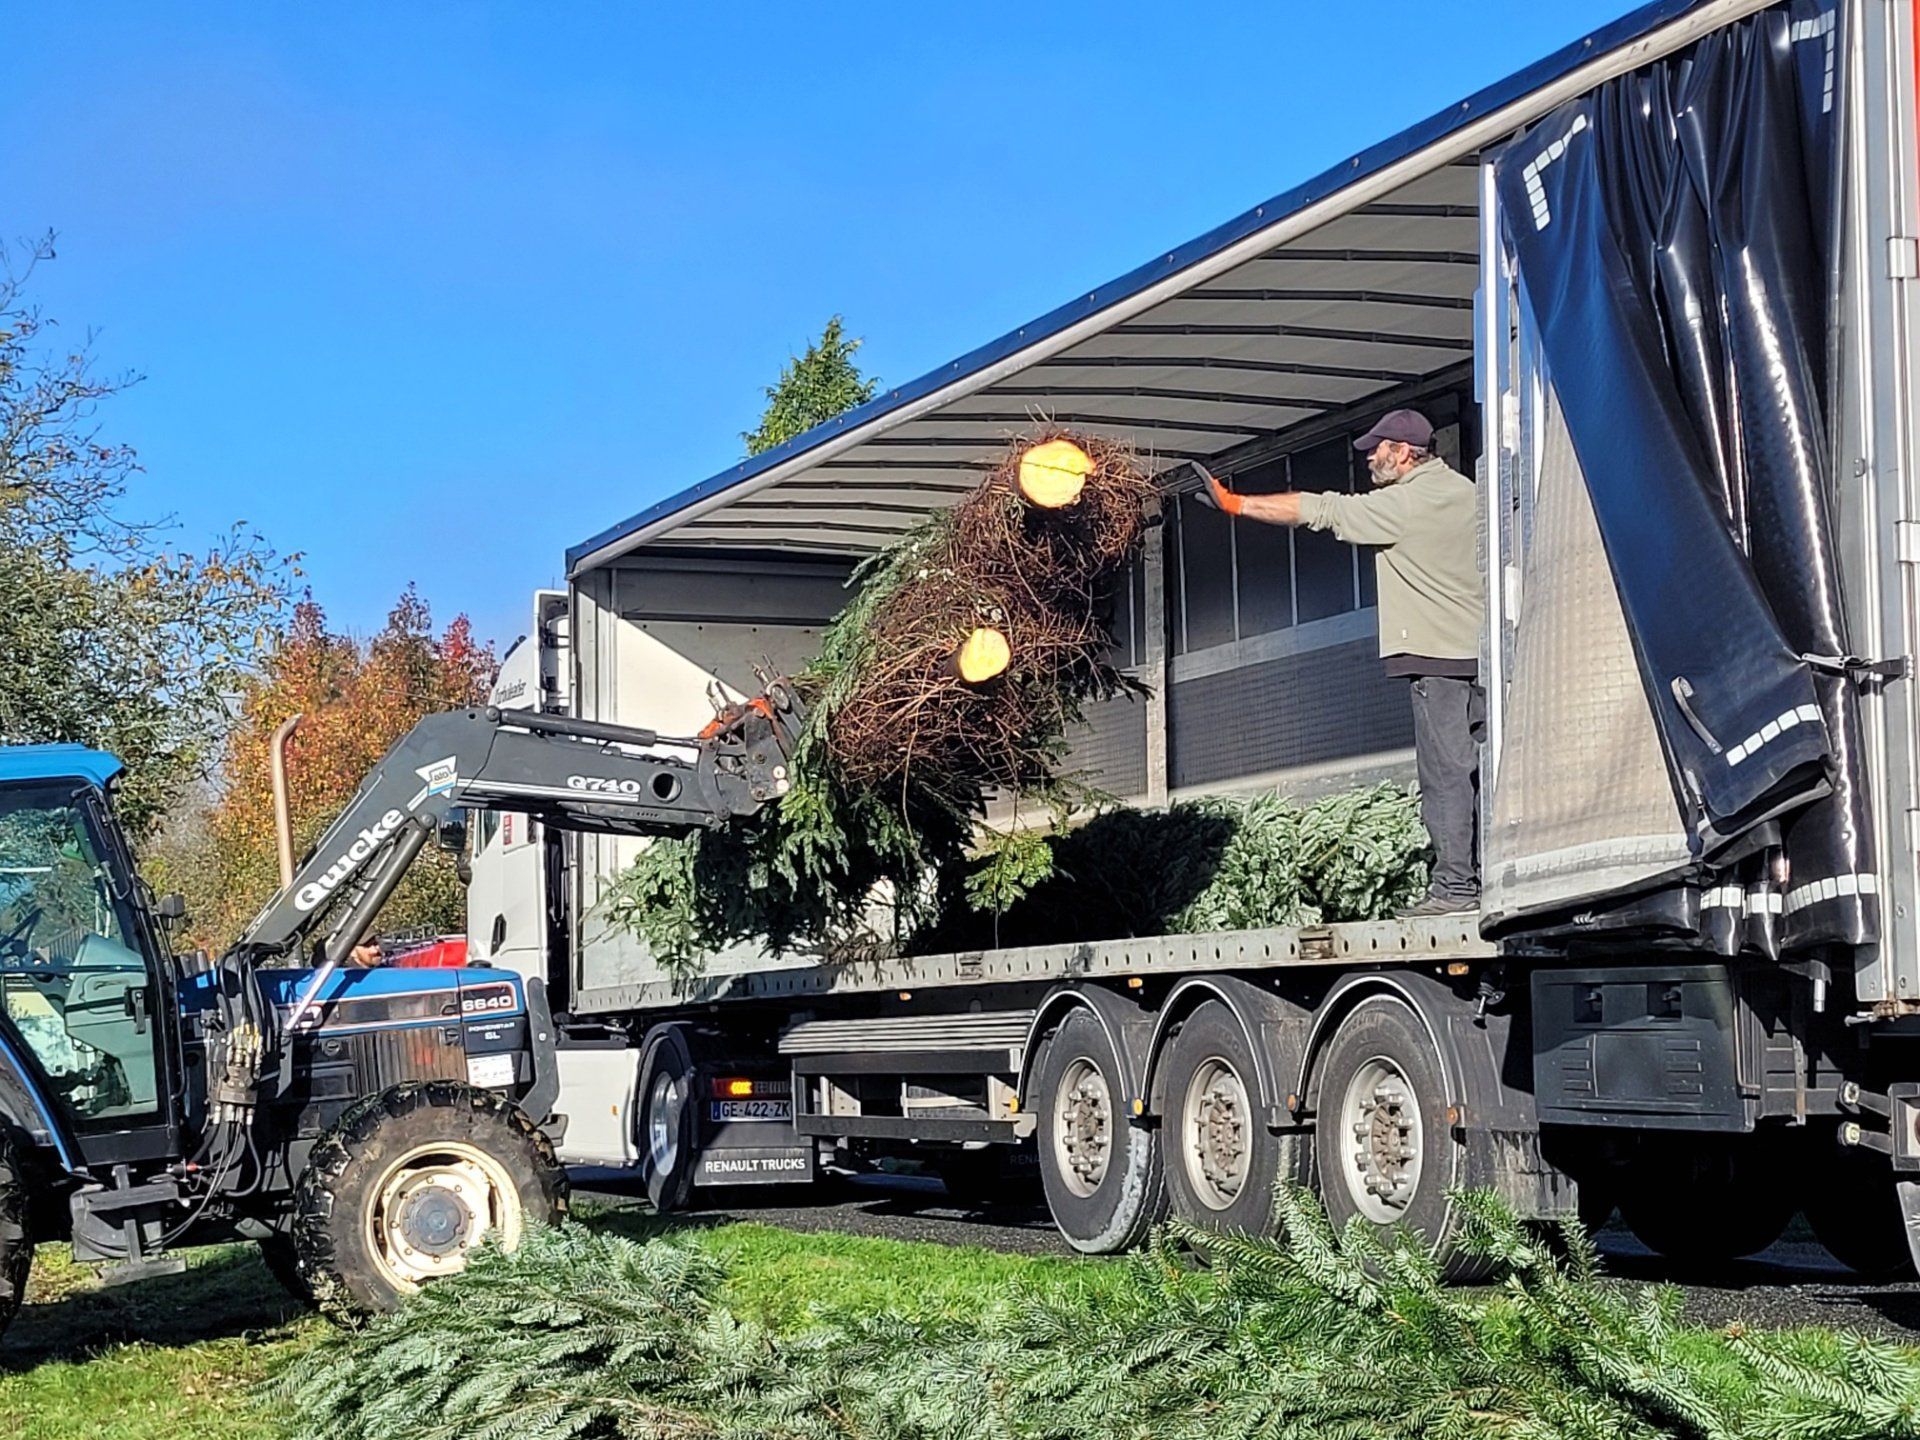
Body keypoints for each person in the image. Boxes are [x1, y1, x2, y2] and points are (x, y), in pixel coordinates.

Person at [1200, 408, 1485, 916]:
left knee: (1445, 774)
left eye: (1377, 448)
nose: (1370, 457)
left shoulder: (1403, 504)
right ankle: (1486, 872)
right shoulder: (1467, 492)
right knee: (1479, 771)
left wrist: (1236, 503)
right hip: (1481, 655)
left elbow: (1319, 509)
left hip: (1435, 658)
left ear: (1402, 452)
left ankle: (1456, 889)